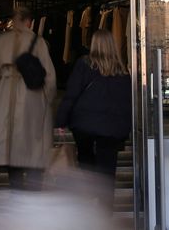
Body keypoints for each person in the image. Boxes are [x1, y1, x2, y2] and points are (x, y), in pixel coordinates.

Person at [55, 29, 132, 211]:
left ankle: (88, 200)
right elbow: (127, 102)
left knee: (86, 159)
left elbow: (71, 95)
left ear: (94, 44)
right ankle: (105, 210)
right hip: (112, 128)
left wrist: (61, 121)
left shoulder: (84, 64)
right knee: (107, 167)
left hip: (85, 124)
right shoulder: (122, 70)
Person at [0, 6, 57, 190]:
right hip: (31, 94)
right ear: (29, 22)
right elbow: (49, 75)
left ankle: (15, 187)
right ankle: (33, 190)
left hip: (4, 92)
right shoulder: (38, 42)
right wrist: (49, 101)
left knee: (9, 145)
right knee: (33, 143)